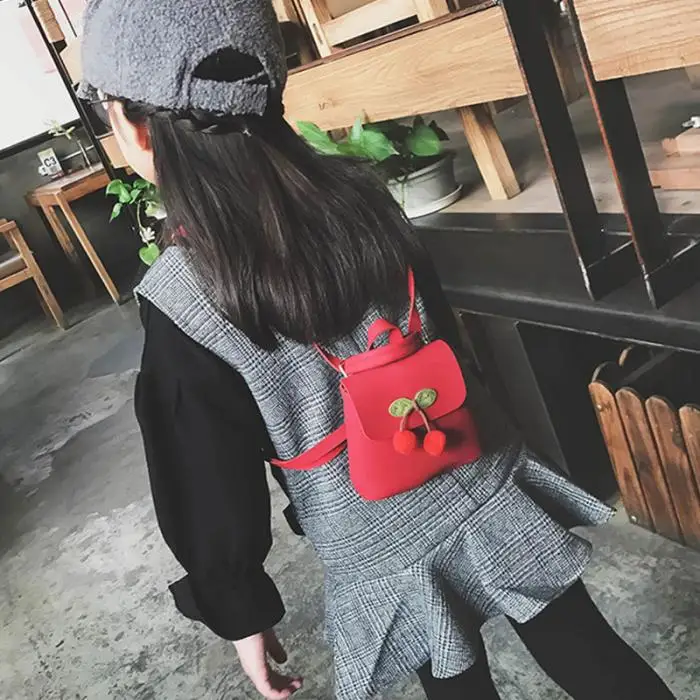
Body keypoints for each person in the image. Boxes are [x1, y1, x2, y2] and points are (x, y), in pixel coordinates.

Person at [78, 1, 677, 699]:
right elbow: (442, 331)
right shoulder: (359, 195)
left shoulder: (182, 297)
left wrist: (242, 613)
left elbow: (208, 479)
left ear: (137, 129)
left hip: (373, 535)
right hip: (478, 461)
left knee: (453, 681)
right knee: (584, 645)